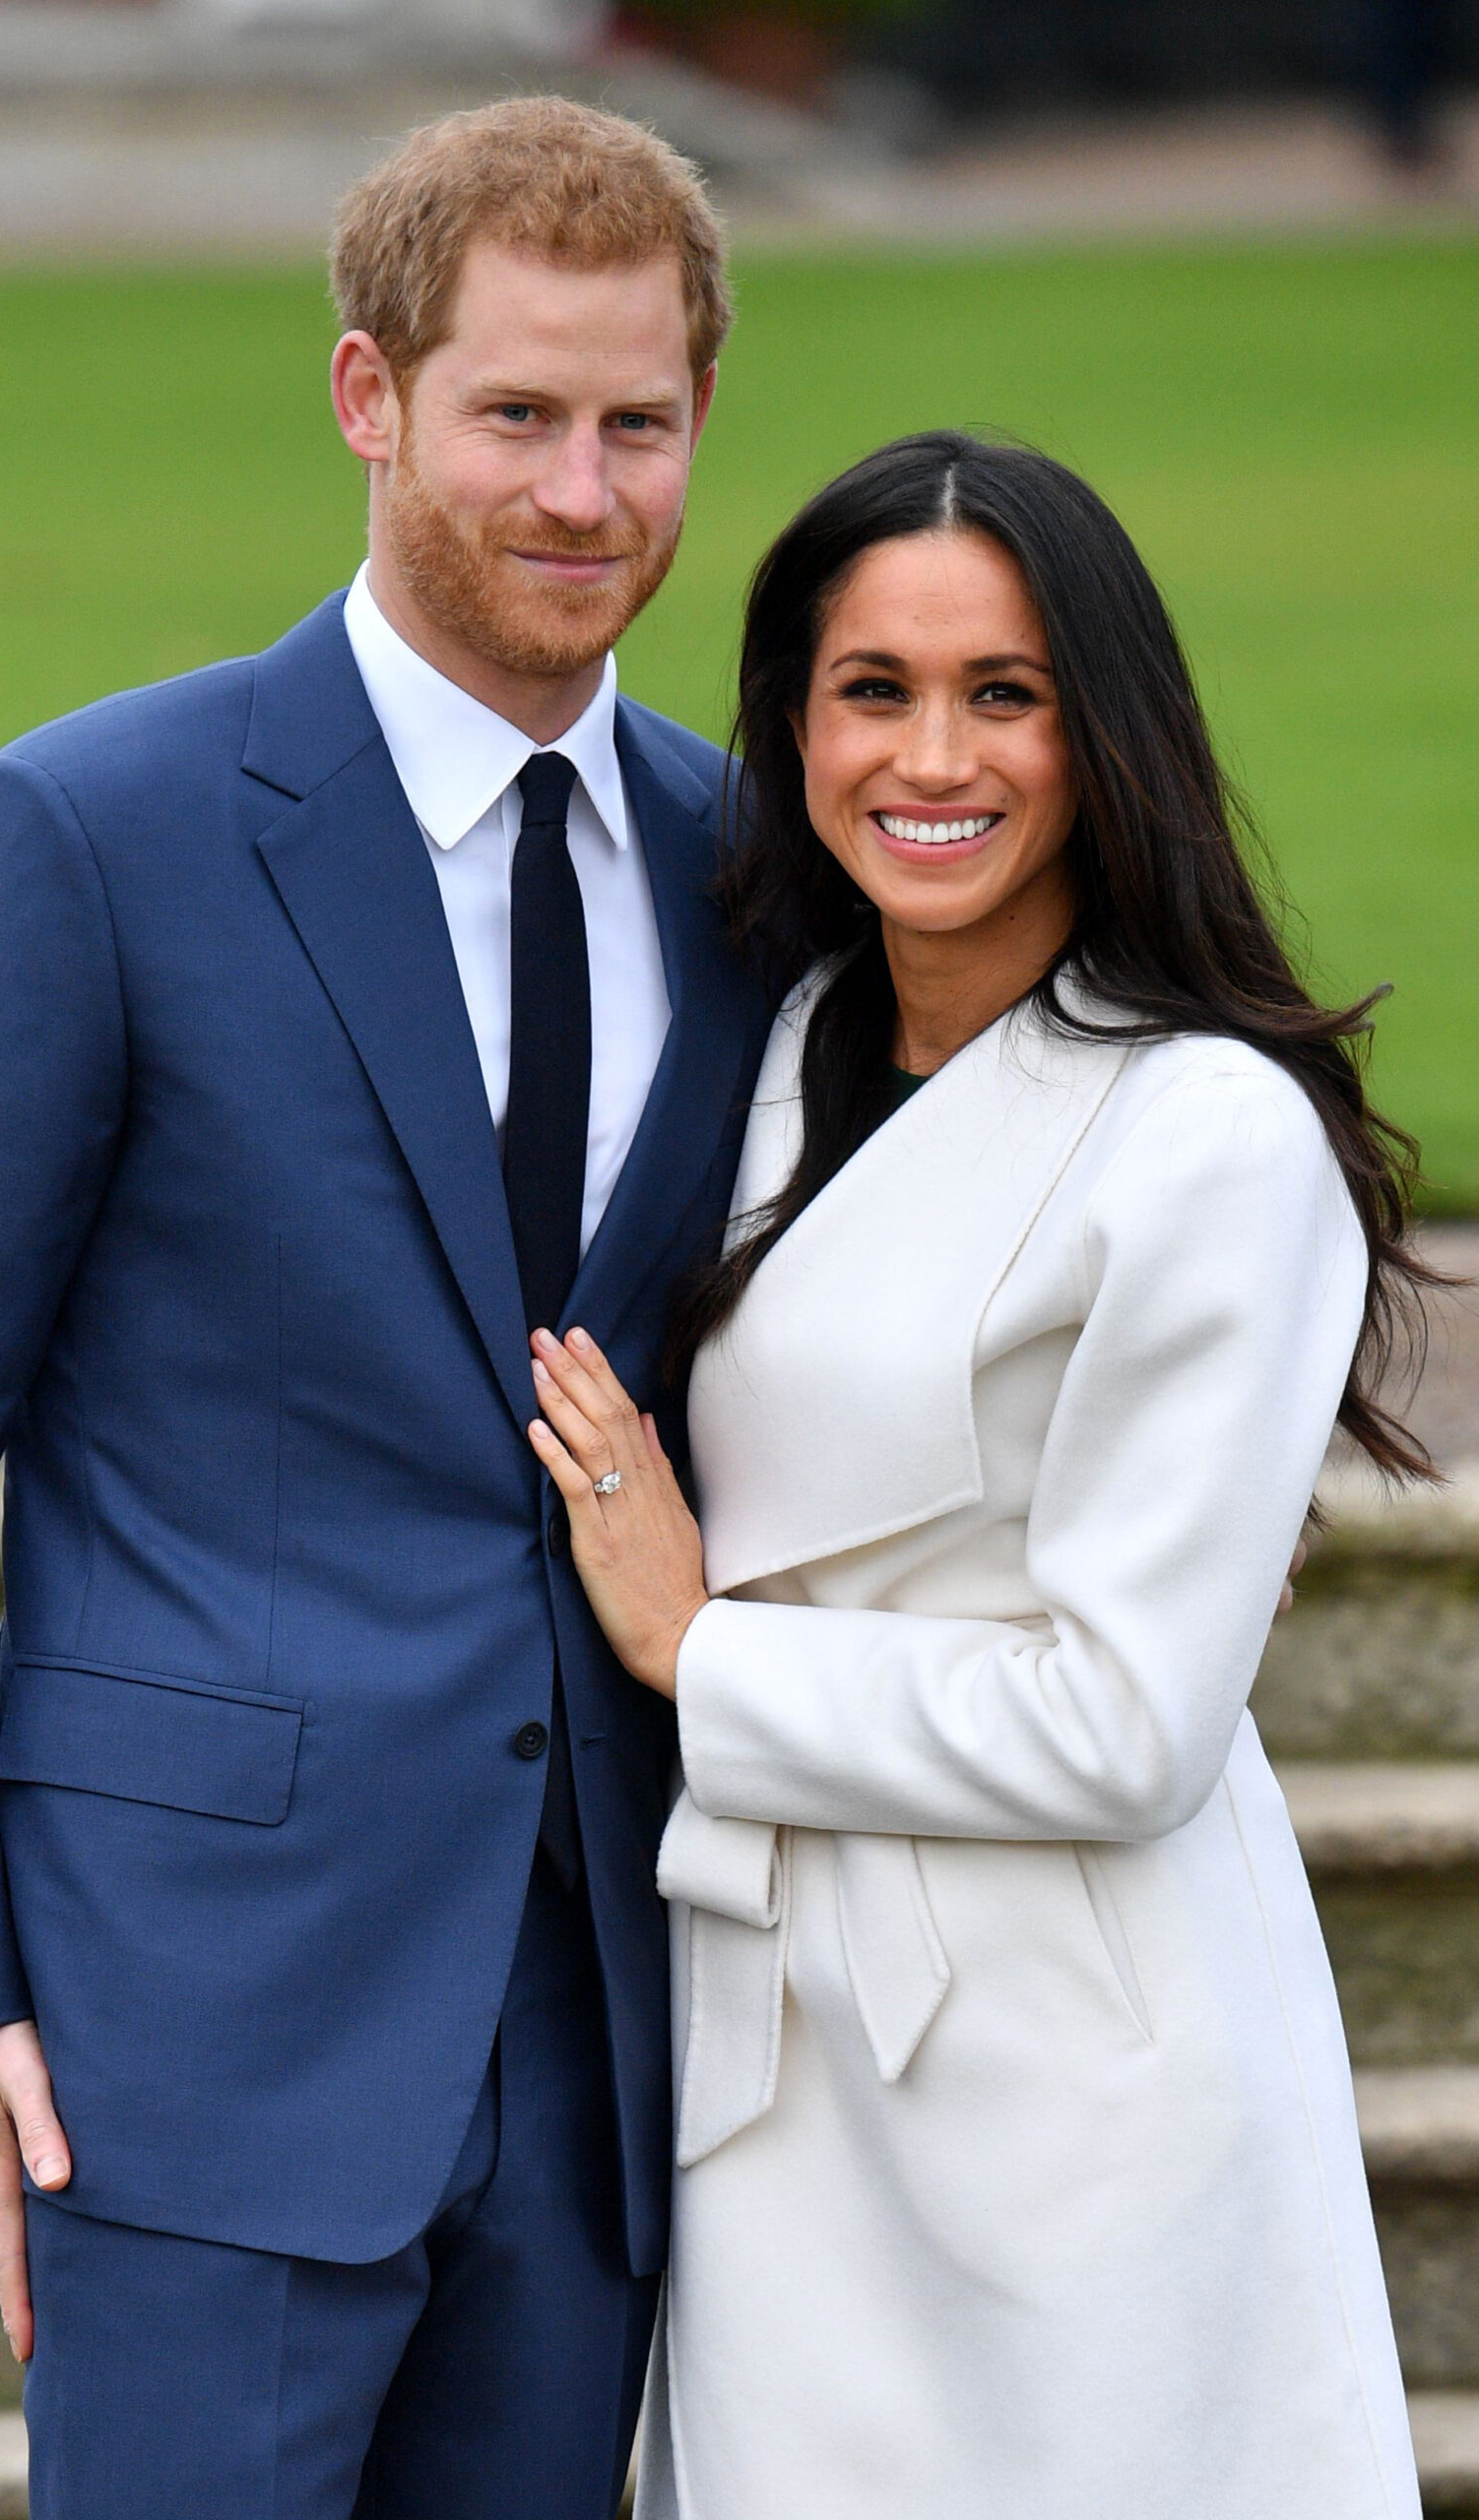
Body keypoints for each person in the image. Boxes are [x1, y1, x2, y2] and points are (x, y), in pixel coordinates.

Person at [0, 98, 774, 2518]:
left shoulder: (747, 866)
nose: (580, 492)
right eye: (513, 414)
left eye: (634, 423)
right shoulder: (82, 838)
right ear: (368, 396)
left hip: (607, 2047)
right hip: (183, 2029)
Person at [528, 432, 1427, 2519]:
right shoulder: (768, 1045)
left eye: (1002, 693)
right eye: (874, 690)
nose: (931, 757)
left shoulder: (1205, 1131)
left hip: (1066, 2066)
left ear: (1101, 733)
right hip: (770, 2050)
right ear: (792, 726)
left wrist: (701, 1646)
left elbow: (1126, 1723)